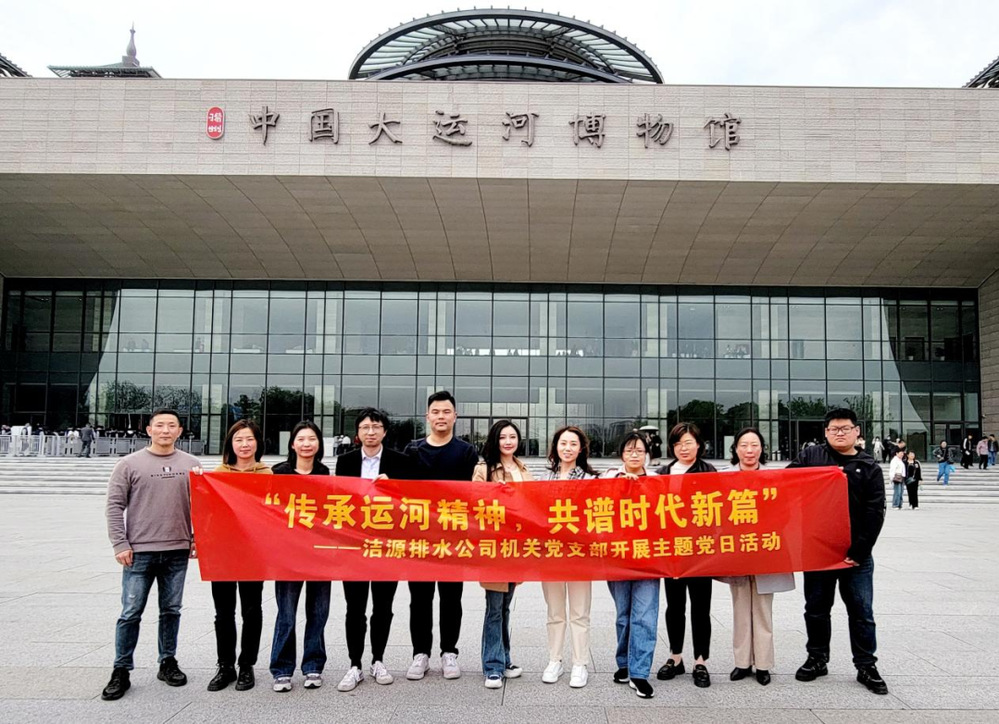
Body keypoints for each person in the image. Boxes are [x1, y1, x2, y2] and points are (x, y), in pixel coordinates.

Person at [101, 409, 201, 701]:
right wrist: (120, 543)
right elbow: (114, 506)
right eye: (160, 425)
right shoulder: (129, 464)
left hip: (177, 551)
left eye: (171, 426)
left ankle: (167, 661)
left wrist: (197, 537)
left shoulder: (192, 465)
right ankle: (121, 670)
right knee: (130, 612)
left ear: (180, 431)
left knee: (171, 610)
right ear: (149, 429)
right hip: (139, 552)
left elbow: (202, 505)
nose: (165, 430)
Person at [789, 408, 888, 695]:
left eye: (845, 428)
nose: (840, 433)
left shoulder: (869, 467)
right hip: (818, 552)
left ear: (857, 431)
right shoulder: (811, 457)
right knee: (816, 610)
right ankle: (817, 658)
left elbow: (874, 513)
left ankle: (866, 665)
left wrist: (859, 551)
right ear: (826, 432)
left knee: (861, 612)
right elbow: (785, 485)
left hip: (856, 556)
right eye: (834, 429)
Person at [403, 391, 479, 681]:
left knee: (451, 597)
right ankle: (420, 653)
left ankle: (449, 652)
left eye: (446, 412)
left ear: (455, 416)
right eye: (435, 412)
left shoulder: (466, 452)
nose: (441, 417)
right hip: (419, 537)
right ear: (427, 416)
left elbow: (476, 493)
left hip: (453, 538)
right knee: (419, 599)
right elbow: (399, 489)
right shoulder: (413, 450)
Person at [334, 408, 410, 693]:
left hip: (387, 546)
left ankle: (378, 660)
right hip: (354, 546)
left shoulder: (401, 462)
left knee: (383, 607)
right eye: (365, 427)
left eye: (376, 427)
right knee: (354, 608)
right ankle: (355, 664)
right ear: (358, 432)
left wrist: (394, 489)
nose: (370, 432)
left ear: (385, 432)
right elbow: (338, 500)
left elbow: (412, 503)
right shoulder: (345, 461)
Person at [721, 428, 794, 687]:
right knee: (740, 608)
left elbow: (784, 514)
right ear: (736, 449)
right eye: (744, 445)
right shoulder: (723, 478)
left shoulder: (774, 478)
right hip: (737, 551)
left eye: (754, 445)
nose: (749, 450)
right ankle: (742, 662)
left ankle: (763, 664)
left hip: (766, 551)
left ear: (762, 448)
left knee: (763, 609)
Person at [207, 420, 271, 693]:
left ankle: (247, 665)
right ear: (230, 444)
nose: (244, 445)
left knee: (252, 610)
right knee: (223, 612)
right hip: (222, 551)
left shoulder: (268, 474)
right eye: (238, 440)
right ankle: (225, 665)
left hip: (253, 551)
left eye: (249, 439)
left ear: (258, 443)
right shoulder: (217, 474)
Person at [270, 421, 332, 693]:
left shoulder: (325, 473)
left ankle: (313, 665)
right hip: (288, 555)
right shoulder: (278, 473)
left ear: (319, 444)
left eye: (312, 439)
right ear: (292, 444)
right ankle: (282, 669)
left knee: (318, 612)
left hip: (319, 554)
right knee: (286, 614)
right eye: (301, 439)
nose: (307, 444)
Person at [654, 422, 717, 688]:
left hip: (700, 550)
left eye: (688, 442)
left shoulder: (708, 471)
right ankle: (675, 657)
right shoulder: (663, 472)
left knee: (701, 608)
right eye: (678, 443)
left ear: (699, 445)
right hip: (672, 551)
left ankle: (700, 661)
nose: (683, 448)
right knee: (675, 606)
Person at [473, 419, 532, 690]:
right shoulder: (484, 469)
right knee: (494, 609)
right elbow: (475, 504)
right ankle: (493, 666)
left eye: (512, 437)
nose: (508, 442)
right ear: (495, 440)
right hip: (495, 548)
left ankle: (505, 659)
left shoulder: (522, 468)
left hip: (517, 548)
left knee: (505, 607)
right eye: (503, 437)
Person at [602, 431, 659, 699]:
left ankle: (640, 672)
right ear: (621, 454)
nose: (634, 455)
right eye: (629, 450)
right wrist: (619, 485)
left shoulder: (658, 480)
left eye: (639, 450)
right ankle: (624, 663)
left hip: (649, 558)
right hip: (618, 556)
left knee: (644, 616)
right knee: (623, 615)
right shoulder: (609, 477)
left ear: (647, 454)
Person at [540, 425, 598, 688]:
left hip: (579, 554)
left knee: (579, 612)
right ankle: (555, 660)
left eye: (573, 444)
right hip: (551, 553)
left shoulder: (591, 479)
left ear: (581, 449)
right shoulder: (543, 479)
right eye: (563, 443)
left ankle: (579, 663)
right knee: (555, 612)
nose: (567, 448)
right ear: (556, 447)